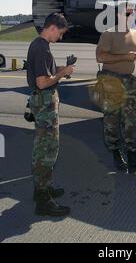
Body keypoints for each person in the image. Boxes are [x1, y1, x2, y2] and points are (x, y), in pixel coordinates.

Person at [96, 4, 136, 173]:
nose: (130, 15)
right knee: (112, 120)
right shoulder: (109, 34)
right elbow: (100, 56)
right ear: (119, 14)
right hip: (111, 82)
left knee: (131, 119)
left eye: (132, 13)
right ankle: (117, 155)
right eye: (127, 12)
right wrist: (125, 56)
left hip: (129, 83)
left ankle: (132, 157)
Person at [26, 12, 76, 216]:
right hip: (45, 103)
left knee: (45, 148)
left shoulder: (39, 45)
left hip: (43, 102)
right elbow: (42, 81)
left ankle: (44, 189)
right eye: (61, 33)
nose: (60, 37)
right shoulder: (42, 48)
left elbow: (48, 72)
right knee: (47, 151)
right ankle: (43, 200)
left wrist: (62, 68)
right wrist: (62, 74)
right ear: (53, 27)